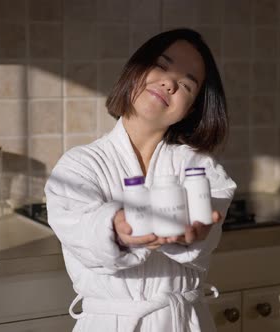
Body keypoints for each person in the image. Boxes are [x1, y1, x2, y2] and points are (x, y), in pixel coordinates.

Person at [45, 28, 237, 332]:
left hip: (183, 322)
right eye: (162, 66)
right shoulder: (78, 166)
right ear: (135, 70)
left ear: (192, 108)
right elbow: (81, 231)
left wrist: (196, 234)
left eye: (187, 84)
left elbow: (207, 227)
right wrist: (117, 230)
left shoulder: (201, 168)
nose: (170, 82)